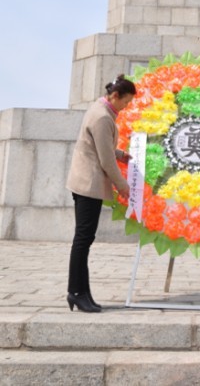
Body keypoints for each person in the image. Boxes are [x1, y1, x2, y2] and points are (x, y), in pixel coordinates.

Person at [66, 75, 136, 312]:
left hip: (85, 182)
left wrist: (120, 154)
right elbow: (104, 159)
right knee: (83, 239)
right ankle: (76, 292)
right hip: (89, 184)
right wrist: (123, 185)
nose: (125, 108)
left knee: (84, 239)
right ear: (115, 96)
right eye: (125, 103)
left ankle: (82, 292)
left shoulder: (99, 109)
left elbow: (102, 146)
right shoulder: (103, 117)